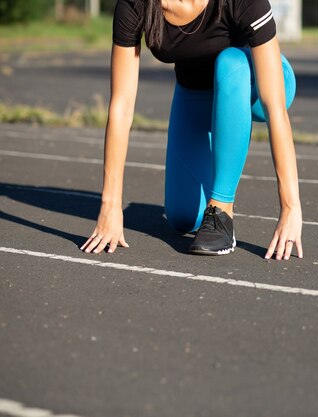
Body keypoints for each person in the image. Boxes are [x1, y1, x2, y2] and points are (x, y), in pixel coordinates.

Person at [80, 0, 303, 260]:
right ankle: (207, 203)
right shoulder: (135, 4)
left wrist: (290, 207)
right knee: (183, 218)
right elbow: (122, 106)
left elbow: (274, 107)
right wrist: (111, 206)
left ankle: (221, 210)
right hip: (195, 92)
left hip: (256, 85)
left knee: (230, 63)